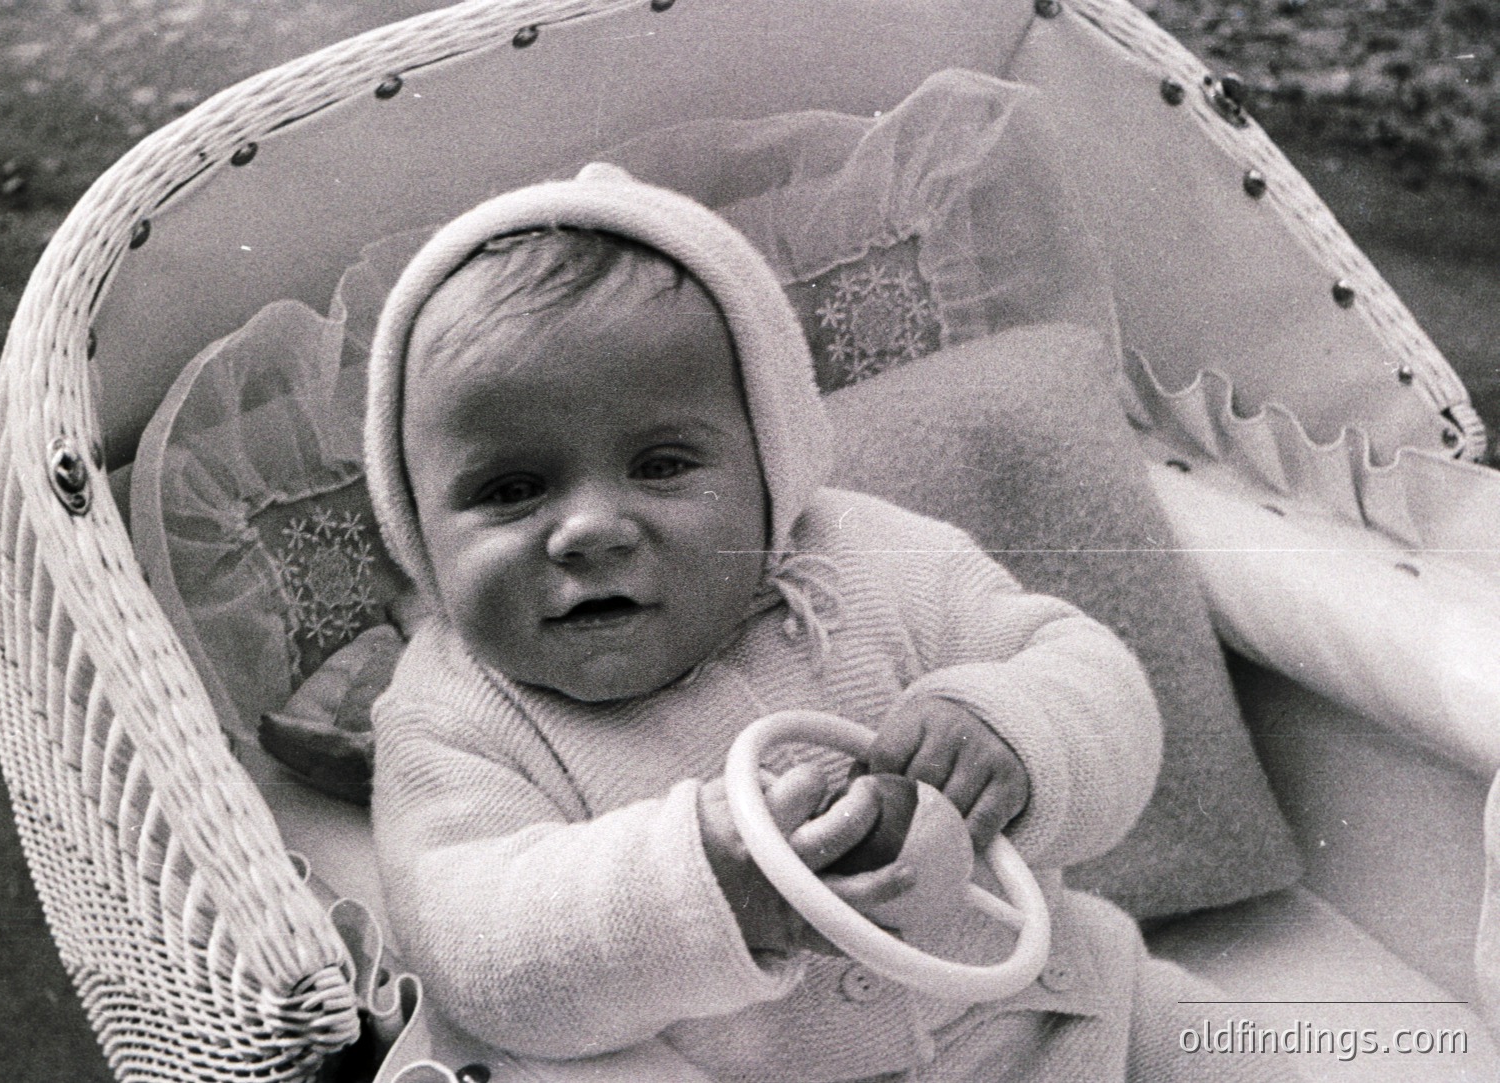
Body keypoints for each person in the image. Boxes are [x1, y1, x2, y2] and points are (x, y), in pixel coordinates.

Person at [362, 163, 1290, 1081]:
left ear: (773, 460)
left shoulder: (868, 554)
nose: (591, 529)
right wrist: (699, 885)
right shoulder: (451, 715)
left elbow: (1094, 678)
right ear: (417, 528)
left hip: (1065, 1015)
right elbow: (473, 948)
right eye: (509, 490)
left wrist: (1015, 731)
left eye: (663, 465)